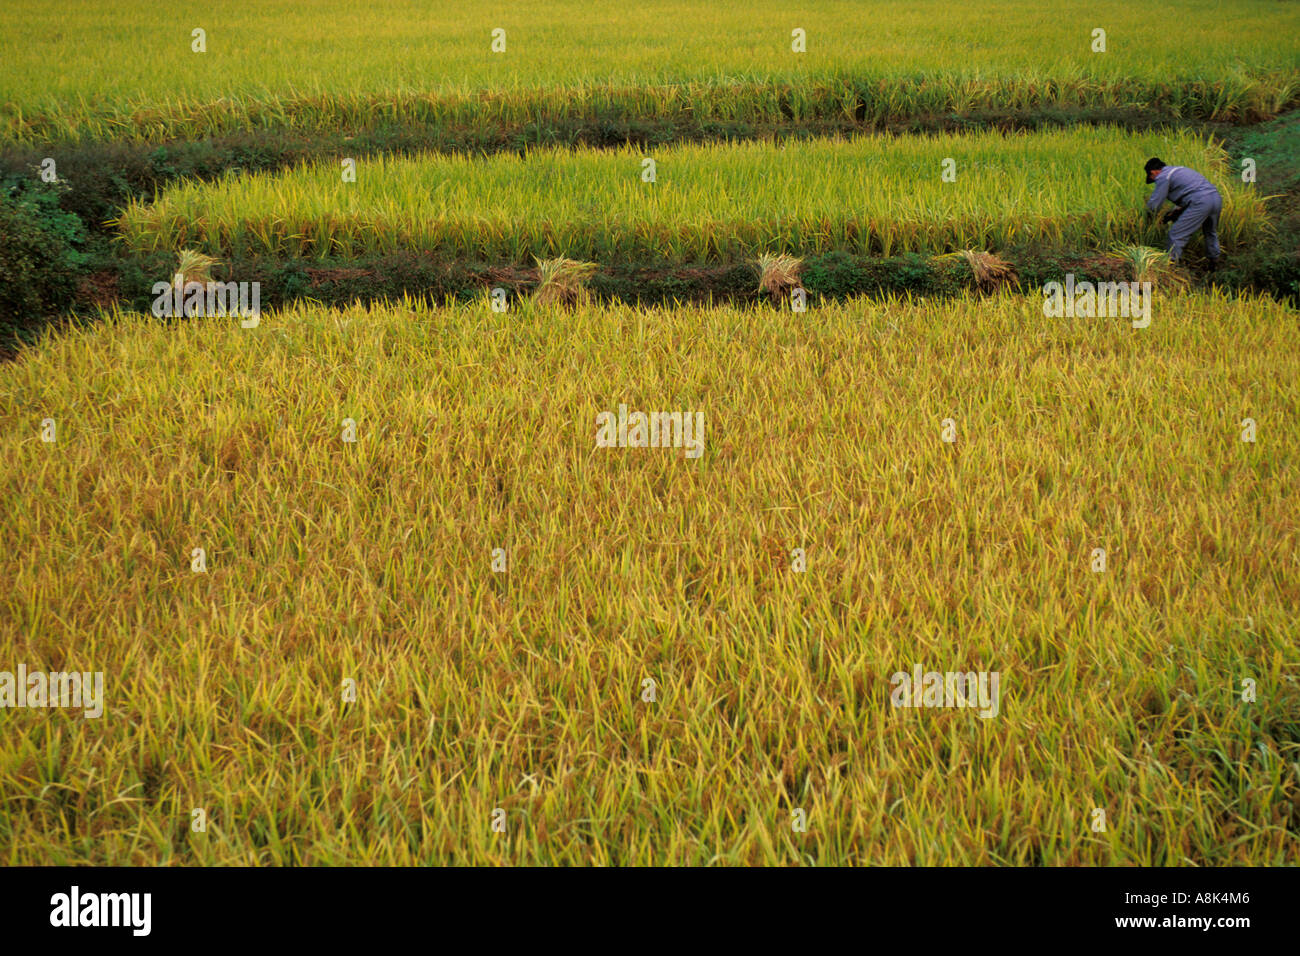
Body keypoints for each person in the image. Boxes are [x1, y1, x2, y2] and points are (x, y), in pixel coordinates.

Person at [1144, 157, 1222, 269]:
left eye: (1152, 178)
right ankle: (1214, 264)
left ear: (1153, 172)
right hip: (1215, 198)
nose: (1154, 181)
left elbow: (1154, 204)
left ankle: (1171, 268)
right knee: (1210, 231)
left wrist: (1148, 218)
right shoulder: (1180, 170)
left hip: (1200, 202)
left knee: (1175, 235)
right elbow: (1189, 194)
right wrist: (1172, 215)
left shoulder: (1163, 177)